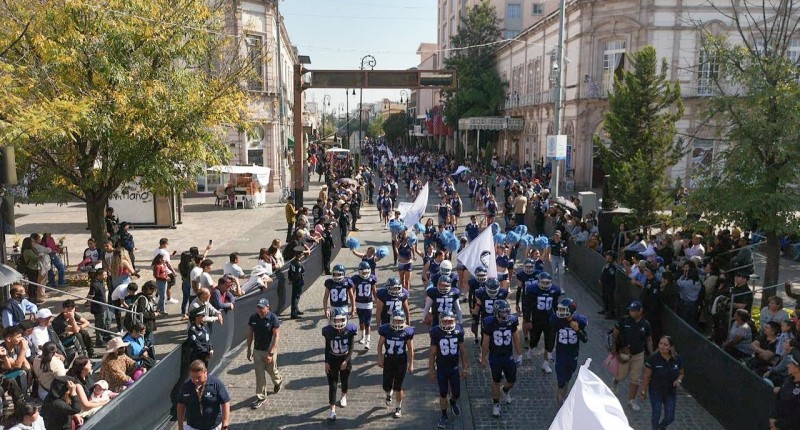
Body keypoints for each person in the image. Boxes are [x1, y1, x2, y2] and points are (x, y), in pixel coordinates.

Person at [480, 299, 522, 418]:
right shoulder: (489, 323)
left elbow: (516, 338)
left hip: (508, 356)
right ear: (496, 312)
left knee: (512, 381)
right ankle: (496, 404)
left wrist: (520, 354)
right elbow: (485, 342)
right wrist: (483, 358)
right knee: (496, 381)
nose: (505, 314)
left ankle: (505, 390)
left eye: (507, 311)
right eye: (502, 312)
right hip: (495, 357)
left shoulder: (512, 321)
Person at [429, 310, 468, 429]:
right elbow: (432, 353)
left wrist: (465, 367)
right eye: (445, 321)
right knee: (443, 393)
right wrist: (431, 369)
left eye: (450, 321)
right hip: (442, 368)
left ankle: (453, 402)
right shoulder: (436, 332)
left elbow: (463, 350)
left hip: (454, 368)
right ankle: (444, 415)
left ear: (454, 321)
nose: (447, 324)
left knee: (456, 393)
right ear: (440, 321)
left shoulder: (458, 331)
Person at [612, 300, 653, 412]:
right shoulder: (624, 321)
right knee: (622, 375)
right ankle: (616, 381)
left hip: (638, 354)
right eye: (630, 310)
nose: (631, 312)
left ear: (640, 311)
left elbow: (649, 339)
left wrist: (651, 354)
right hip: (625, 353)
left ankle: (631, 400)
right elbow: (615, 335)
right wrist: (615, 350)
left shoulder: (645, 324)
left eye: (634, 310)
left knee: (635, 378)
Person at [638, 335, 684, 430]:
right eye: (660, 343)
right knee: (656, 414)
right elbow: (646, 376)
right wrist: (643, 391)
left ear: (671, 347)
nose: (662, 346)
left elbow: (681, 373)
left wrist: (678, 380)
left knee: (670, 417)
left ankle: (661, 427)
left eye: (665, 345)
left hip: (670, 392)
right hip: (656, 391)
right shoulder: (653, 359)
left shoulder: (677, 359)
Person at [520, 272, 562, 373]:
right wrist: (527, 320)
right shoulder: (532, 290)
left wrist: (558, 319)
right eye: (543, 282)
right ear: (538, 282)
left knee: (550, 342)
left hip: (549, 320)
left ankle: (545, 363)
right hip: (537, 319)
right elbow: (527, 306)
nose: (545, 285)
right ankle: (531, 349)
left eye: (547, 283)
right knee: (534, 340)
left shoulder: (555, 290)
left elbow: (555, 305)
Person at [377, 309, 415, 419]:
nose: (397, 323)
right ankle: (388, 393)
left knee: (399, 387)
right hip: (388, 360)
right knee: (386, 386)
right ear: (391, 320)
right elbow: (379, 345)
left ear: (403, 321)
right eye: (395, 320)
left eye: (399, 321)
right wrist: (380, 358)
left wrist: (411, 364)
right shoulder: (386, 329)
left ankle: (398, 407)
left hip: (401, 361)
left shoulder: (407, 331)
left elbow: (411, 350)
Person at [246, 298, 282, 410]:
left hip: (269, 351)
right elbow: (250, 334)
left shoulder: (273, 318)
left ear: (267, 307)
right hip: (257, 351)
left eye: (262, 307)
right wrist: (249, 349)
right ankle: (261, 397)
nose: (260, 309)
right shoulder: (253, 318)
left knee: (272, 371)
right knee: (259, 375)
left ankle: (278, 381)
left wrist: (271, 353)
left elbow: (276, 336)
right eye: (258, 307)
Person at [322, 307, 357, 421]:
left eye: (341, 320)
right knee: (332, 385)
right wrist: (326, 362)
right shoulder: (328, 331)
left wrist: (346, 360)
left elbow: (351, 347)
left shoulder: (350, 330)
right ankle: (332, 410)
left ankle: (343, 396)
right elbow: (327, 347)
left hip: (345, 358)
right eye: (336, 320)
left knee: (344, 380)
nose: (339, 323)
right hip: (333, 359)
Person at [552, 298, 588, 404]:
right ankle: (560, 393)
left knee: (570, 371)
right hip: (561, 351)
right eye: (560, 309)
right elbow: (551, 334)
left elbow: (585, 339)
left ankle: (564, 385)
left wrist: (578, 330)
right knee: (560, 372)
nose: (560, 312)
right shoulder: (557, 319)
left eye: (563, 310)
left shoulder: (579, 320)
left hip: (573, 352)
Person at [177, 360, 231, 430]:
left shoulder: (216, 384)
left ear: (205, 372)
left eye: (198, 377)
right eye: (192, 377)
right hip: (193, 426)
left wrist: (225, 424)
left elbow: (225, 402)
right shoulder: (186, 387)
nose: (195, 380)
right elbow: (181, 404)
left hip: (213, 426)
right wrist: (180, 424)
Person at [288, 246, 307, 319]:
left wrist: (290, 279)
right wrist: (295, 281)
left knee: (296, 297)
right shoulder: (298, 264)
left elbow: (290, 271)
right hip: (298, 282)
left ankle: (296, 309)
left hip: (295, 281)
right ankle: (294, 313)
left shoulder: (293, 262)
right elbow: (297, 274)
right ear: (299, 255)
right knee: (296, 297)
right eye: (301, 253)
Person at [599, 251, 618, 319]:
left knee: (610, 298)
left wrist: (603, 280)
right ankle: (606, 309)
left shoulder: (613, 266)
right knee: (604, 296)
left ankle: (611, 313)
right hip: (605, 284)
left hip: (609, 284)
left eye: (607, 255)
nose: (606, 257)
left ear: (611, 257)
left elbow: (610, 275)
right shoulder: (607, 265)